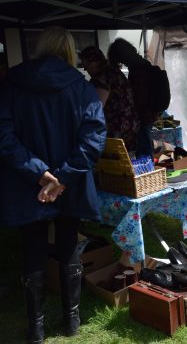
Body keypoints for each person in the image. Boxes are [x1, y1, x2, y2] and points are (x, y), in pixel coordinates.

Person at [0, 27, 106, 342]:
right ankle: (71, 322)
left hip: (27, 184)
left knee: (32, 249)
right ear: (71, 51)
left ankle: (37, 328)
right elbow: (94, 139)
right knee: (67, 244)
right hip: (67, 184)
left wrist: (41, 175)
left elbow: (4, 138)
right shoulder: (83, 89)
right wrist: (60, 177)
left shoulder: (11, 86)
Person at [107, 38, 162, 157]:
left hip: (143, 114)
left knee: (144, 148)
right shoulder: (141, 64)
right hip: (148, 112)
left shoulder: (138, 68)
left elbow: (139, 95)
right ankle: (148, 170)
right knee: (145, 145)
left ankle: (147, 172)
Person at [80, 46, 140, 152]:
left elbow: (96, 107)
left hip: (117, 128)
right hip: (130, 123)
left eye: (86, 65)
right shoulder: (115, 71)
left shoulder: (101, 78)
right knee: (129, 161)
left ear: (94, 61)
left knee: (117, 163)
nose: (85, 69)